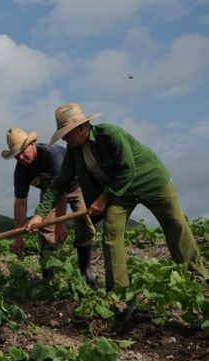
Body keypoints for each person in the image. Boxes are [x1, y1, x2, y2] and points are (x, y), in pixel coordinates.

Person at [25, 103, 207, 290]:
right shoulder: (74, 151)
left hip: (151, 181)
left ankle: (197, 277)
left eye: (67, 133)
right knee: (111, 232)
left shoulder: (110, 134)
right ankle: (118, 290)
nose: (64, 139)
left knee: (175, 223)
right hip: (119, 191)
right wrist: (39, 215)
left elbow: (127, 170)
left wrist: (103, 199)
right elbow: (60, 183)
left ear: (83, 127)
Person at [2, 127, 96, 283]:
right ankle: (48, 275)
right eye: (16, 156)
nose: (21, 158)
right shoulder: (21, 170)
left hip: (74, 186)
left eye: (23, 151)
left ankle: (85, 269)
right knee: (45, 230)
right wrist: (18, 238)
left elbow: (61, 190)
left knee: (84, 223)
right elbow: (20, 203)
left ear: (33, 143)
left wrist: (61, 223)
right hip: (49, 193)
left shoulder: (52, 155)